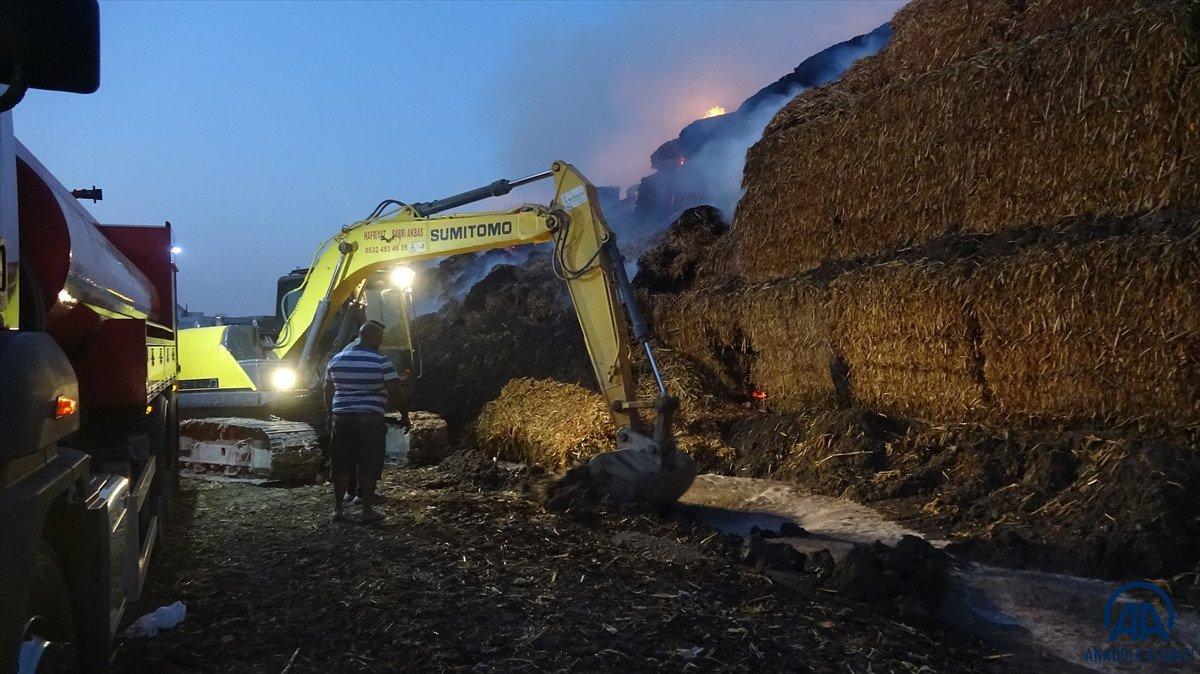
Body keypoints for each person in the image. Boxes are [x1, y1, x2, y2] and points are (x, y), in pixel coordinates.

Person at [323, 320, 410, 523]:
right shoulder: (381, 361)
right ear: (372, 337)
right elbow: (395, 392)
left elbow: (327, 390)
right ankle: (367, 511)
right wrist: (404, 415)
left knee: (341, 463)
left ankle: (338, 510)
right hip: (370, 419)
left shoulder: (337, 359)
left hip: (341, 418)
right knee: (369, 463)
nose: (380, 342)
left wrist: (330, 413)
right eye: (379, 338)